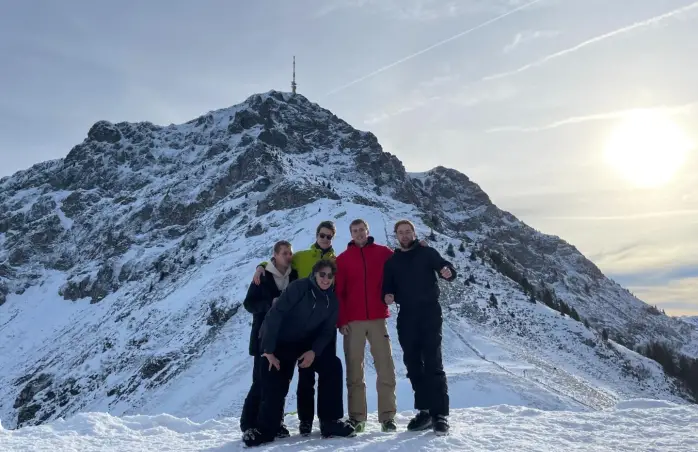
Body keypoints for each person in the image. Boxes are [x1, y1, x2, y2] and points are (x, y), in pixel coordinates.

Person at [243, 260, 356, 447]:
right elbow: (275, 315)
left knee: (332, 365)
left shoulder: (332, 300)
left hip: (306, 345)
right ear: (314, 274)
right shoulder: (299, 288)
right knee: (274, 378)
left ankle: (330, 422)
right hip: (282, 343)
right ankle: (265, 429)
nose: (326, 279)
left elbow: (327, 331)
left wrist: (314, 351)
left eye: (330, 276)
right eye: (322, 274)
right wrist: (269, 350)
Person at [250, 220, 337, 436]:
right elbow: (278, 261)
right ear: (317, 235)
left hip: (314, 327)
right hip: (282, 331)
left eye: (329, 236)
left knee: (324, 368)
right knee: (270, 378)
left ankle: (324, 421)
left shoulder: (336, 261)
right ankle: (262, 425)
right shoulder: (301, 257)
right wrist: (261, 266)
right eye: (322, 235)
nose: (325, 239)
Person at [382, 219, 457, 436]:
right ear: (396, 236)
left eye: (408, 231)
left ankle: (440, 414)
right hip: (406, 316)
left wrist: (448, 272)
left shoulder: (428, 253)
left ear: (414, 233)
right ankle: (425, 412)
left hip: (429, 313)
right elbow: (387, 286)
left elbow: (447, 268)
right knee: (413, 364)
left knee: (433, 361)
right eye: (400, 232)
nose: (404, 235)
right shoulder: (393, 261)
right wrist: (386, 295)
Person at [335, 219, 397, 433]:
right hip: (353, 321)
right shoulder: (342, 260)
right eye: (355, 231)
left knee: (385, 367)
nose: (359, 233)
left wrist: (421, 247)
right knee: (354, 370)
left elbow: (403, 262)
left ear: (368, 231)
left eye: (362, 230)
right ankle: (357, 418)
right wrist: (341, 321)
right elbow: (339, 293)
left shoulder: (383, 252)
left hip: (378, 318)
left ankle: (387, 418)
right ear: (350, 234)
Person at [240, 240, 298, 441]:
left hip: (285, 337)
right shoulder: (263, 276)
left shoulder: (294, 275)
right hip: (262, 336)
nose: (287, 256)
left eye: (290, 253)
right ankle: (249, 423)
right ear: (274, 255)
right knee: (260, 381)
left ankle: (277, 422)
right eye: (283, 253)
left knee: (280, 382)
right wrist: (269, 304)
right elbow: (249, 304)